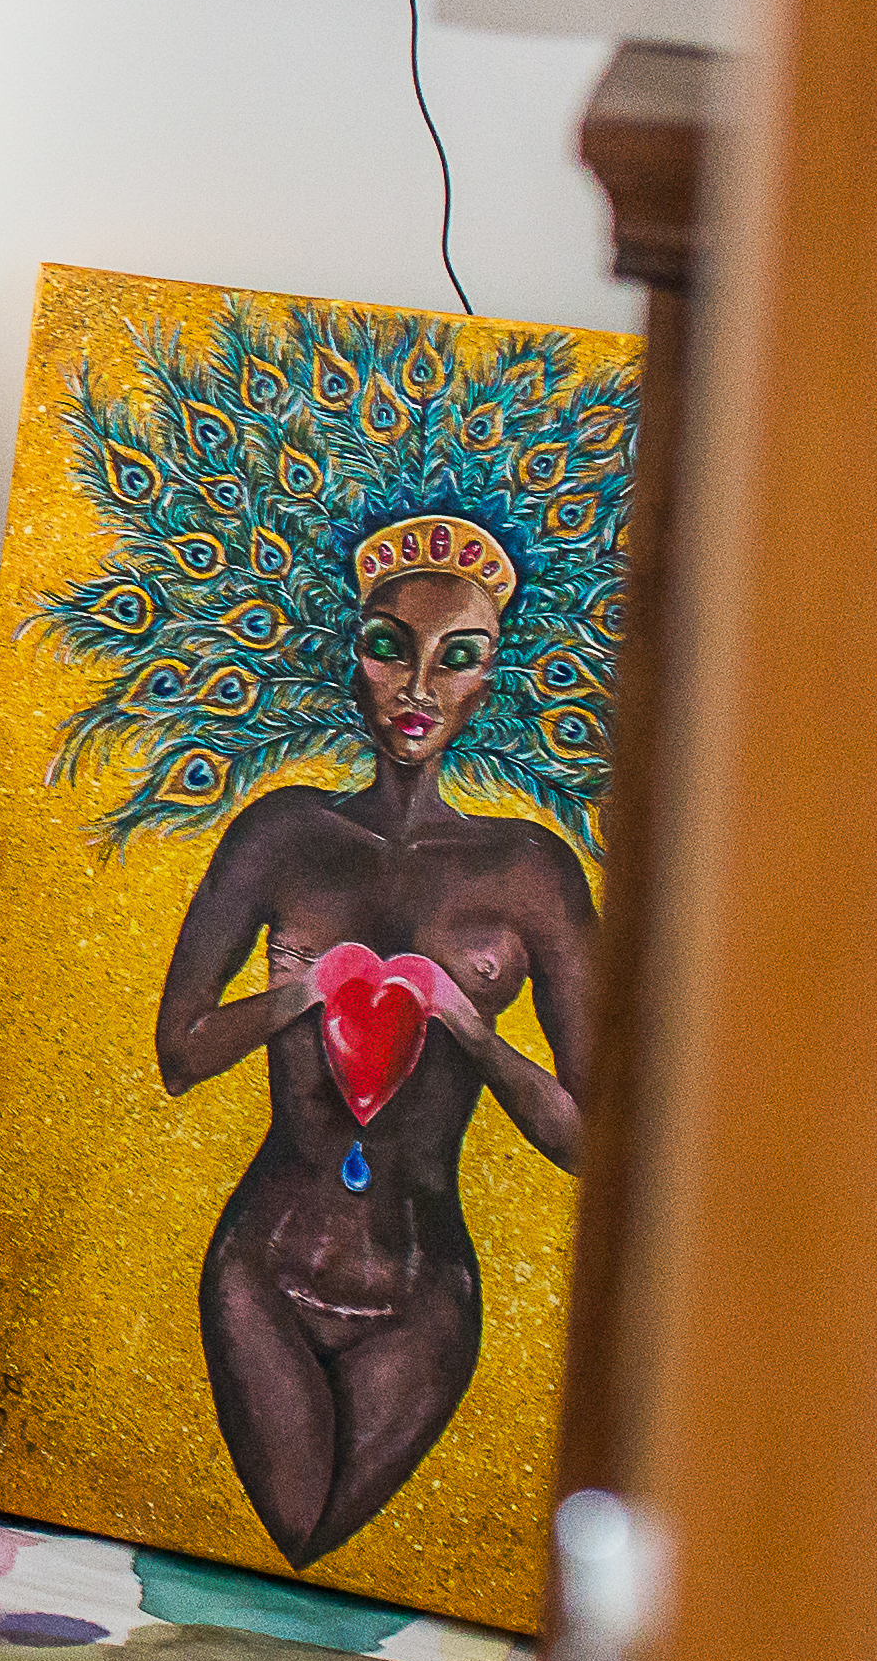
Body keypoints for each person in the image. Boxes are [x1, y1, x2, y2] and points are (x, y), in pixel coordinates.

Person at [145, 512, 601, 1562]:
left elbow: (592, 1139)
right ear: (345, 652)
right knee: (289, 1542)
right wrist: (297, 1001)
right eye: (388, 645)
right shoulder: (281, 834)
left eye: (459, 658)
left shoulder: (529, 871)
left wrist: (476, 1037)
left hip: (420, 1282)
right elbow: (178, 1053)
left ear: (493, 679)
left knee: (321, 1559)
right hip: (263, 1258)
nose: (417, 688)